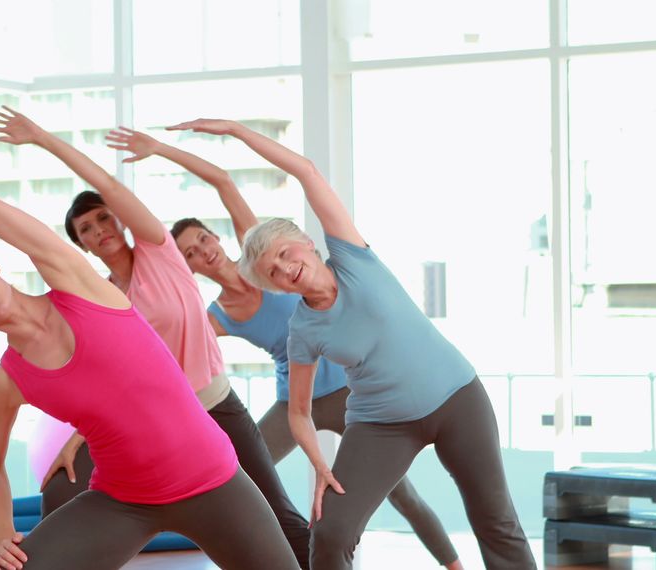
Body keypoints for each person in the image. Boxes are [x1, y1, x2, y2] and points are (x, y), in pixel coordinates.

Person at [0, 172, 301, 570]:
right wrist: (0, 540)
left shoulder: (78, 285)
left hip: (213, 480)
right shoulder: (7, 380)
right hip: (122, 501)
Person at [168, 119, 537, 570]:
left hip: (457, 398)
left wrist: (235, 131)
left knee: (495, 521)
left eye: (287, 253)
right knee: (330, 532)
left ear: (306, 243)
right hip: (382, 423)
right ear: (275, 287)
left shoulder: (353, 257)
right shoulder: (303, 329)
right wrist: (320, 465)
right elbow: (298, 411)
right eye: (274, 272)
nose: (286, 269)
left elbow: (305, 172)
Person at [103, 127, 464, 570]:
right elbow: (172, 351)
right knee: (246, 477)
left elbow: (222, 180)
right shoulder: (215, 314)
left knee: (402, 494)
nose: (203, 252)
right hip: (296, 402)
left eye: (204, 240)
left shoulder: (263, 260)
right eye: (191, 254)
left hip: (351, 397)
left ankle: (453, 565)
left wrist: (159, 149)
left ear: (218, 238)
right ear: (189, 268)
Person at [0, 108, 313, 568]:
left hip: (213, 407)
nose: (99, 231)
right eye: (86, 231)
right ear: (81, 246)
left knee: (279, 514)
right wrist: (79, 437)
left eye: (103, 219)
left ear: (118, 221)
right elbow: (103, 387)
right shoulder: (97, 301)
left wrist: (42, 138)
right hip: (143, 434)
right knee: (59, 487)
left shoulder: (162, 253)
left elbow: (116, 188)